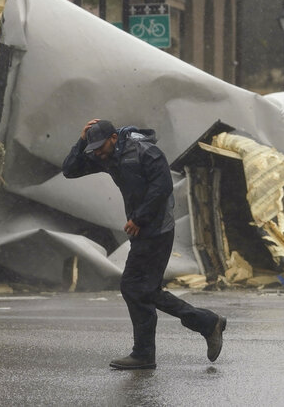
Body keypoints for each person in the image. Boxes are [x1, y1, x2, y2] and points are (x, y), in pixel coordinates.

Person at [62, 118, 226, 370]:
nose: (97, 153)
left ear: (114, 138)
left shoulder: (145, 151)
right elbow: (70, 170)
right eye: (93, 148)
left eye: (100, 146)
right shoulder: (106, 155)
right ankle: (169, 341)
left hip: (158, 227)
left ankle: (181, 335)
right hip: (142, 228)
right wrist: (82, 141)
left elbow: (162, 187)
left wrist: (139, 218)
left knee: (137, 288)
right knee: (141, 289)